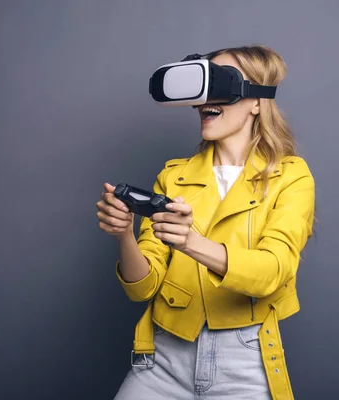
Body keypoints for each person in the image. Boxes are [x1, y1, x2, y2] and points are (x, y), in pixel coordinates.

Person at [96, 44, 315, 400]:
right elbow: (143, 288)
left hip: (242, 362)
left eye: (221, 83)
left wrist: (190, 242)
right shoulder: (174, 176)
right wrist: (124, 236)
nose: (205, 100)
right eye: (203, 85)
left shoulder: (290, 176)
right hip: (163, 360)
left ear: (257, 101)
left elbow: (274, 271)